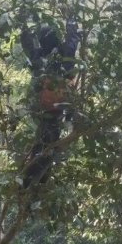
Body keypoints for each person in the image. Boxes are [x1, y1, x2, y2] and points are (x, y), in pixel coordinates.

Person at [20, 17, 79, 189]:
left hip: (40, 108)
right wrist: (71, 22)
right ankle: (33, 183)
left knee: (44, 143)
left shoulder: (39, 56)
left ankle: (33, 183)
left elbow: (27, 44)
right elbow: (72, 42)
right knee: (47, 145)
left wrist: (22, 23)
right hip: (54, 109)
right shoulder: (63, 57)